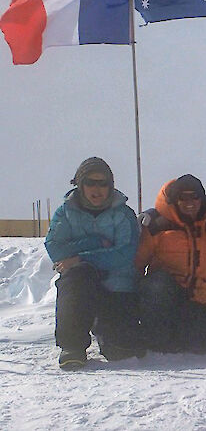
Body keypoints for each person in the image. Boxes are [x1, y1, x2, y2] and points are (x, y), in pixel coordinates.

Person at [45, 157, 142, 370]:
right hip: (81, 282)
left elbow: (124, 254)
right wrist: (95, 242)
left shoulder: (124, 213)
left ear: (110, 185)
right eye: (90, 182)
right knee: (76, 275)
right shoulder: (66, 212)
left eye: (102, 183)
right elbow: (55, 247)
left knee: (121, 351)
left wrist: (81, 256)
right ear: (80, 184)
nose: (96, 189)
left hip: (118, 285)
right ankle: (72, 346)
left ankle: (105, 329)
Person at [135, 175, 206, 354]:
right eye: (183, 197)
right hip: (165, 297)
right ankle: (156, 335)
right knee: (157, 285)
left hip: (201, 301)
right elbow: (137, 265)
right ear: (175, 200)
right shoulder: (157, 227)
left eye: (194, 196)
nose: (190, 202)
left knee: (198, 345)